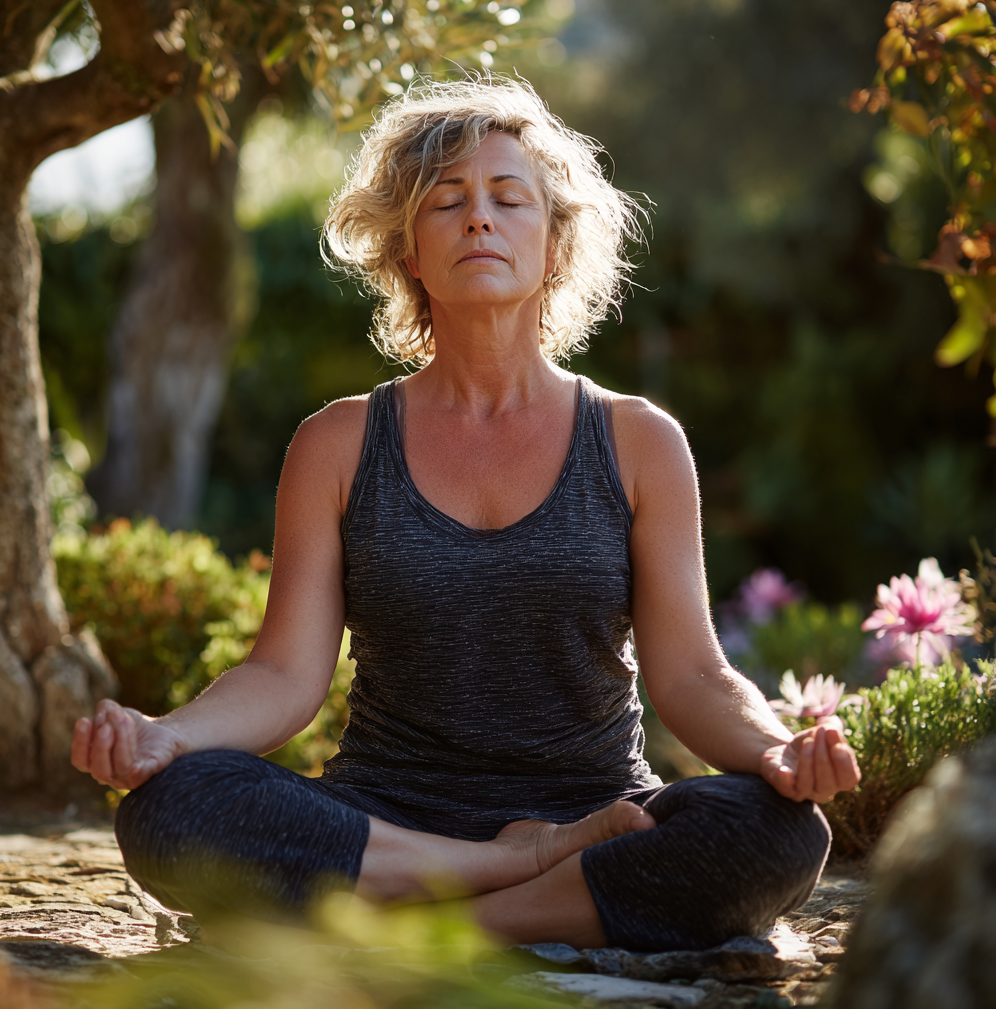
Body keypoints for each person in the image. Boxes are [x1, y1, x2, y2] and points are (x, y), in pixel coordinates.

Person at [71, 76, 860, 952]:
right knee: (173, 807)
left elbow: (693, 677)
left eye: (508, 199)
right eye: (446, 202)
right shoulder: (339, 443)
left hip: (598, 814)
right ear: (410, 252)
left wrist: (775, 749)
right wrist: (167, 737)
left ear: (555, 245)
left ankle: (439, 923)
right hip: (385, 816)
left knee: (778, 830)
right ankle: (507, 872)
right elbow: (284, 675)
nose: (479, 218)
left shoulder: (639, 440)